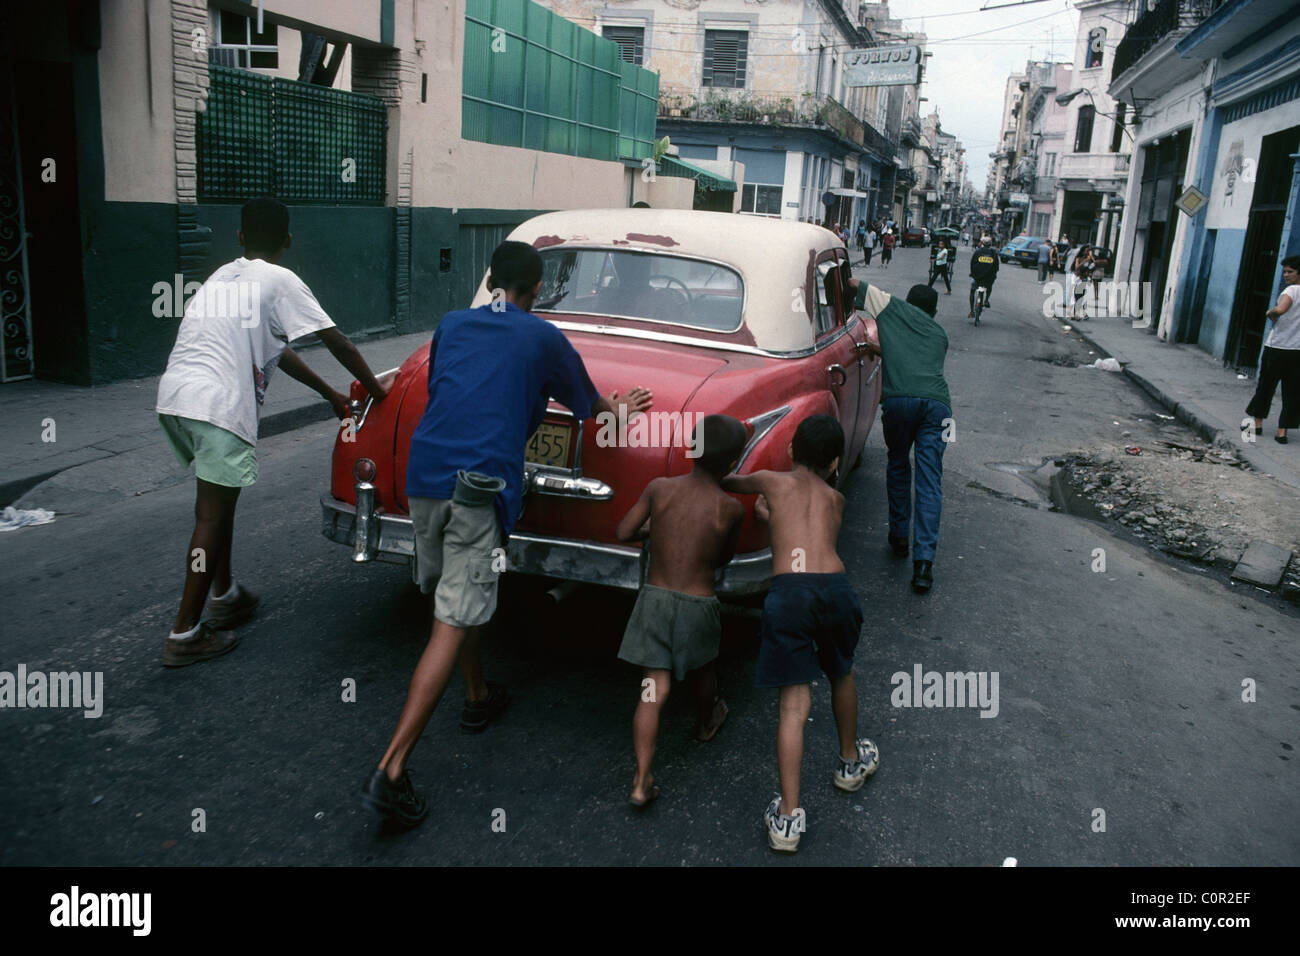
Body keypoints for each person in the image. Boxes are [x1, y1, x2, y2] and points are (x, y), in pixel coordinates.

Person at [362, 240, 653, 827]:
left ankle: (476, 695)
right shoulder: (542, 337)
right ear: (537, 290)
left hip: (425, 478)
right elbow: (593, 408)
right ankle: (392, 769)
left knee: (454, 597)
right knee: (451, 619)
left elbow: (453, 388)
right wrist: (622, 408)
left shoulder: (450, 323)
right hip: (477, 488)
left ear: (491, 278)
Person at [156, 197, 390, 668]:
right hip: (220, 404)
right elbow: (336, 341)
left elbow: (279, 352)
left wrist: (331, 395)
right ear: (287, 240)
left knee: (221, 506)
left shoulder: (224, 276)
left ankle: (224, 593)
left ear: (240, 238)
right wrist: (377, 393)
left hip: (176, 396)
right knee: (210, 516)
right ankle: (184, 634)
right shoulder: (281, 279)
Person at [722, 415, 879, 853]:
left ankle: (788, 818)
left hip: (790, 593)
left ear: (791, 451)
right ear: (833, 462)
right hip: (836, 590)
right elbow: (813, 534)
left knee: (794, 704)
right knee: (841, 673)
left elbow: (729, 481)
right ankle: (850, 763)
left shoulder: (772, 481)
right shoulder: (836, 498)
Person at [615, 414, 749, 807]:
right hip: (698, 604)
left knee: (652, 690)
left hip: (654, 599)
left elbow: (624, 532)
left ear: (691, 448)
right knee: (704, 670)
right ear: (731, 464)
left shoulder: (660, 489)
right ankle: (707, 723)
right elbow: (722, 558)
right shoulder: (730, 509)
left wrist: (654, 531)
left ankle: (641, 780)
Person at [849, 280, 952, 594]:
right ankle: (924, 565)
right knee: (929, 480)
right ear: (934, 311)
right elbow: (914, 358)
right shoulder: (939, 334)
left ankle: (899, 537)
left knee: (897, 464)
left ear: (907, 301)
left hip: (899, 402)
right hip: (937, 406)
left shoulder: (892, 306)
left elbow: (853, 282)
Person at [1247, 256, 1300, 445]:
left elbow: (1281, 309)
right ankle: (1282, 432)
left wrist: (1271, 312)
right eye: (1285, 271)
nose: (1286, 275)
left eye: (1290, 272)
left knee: (1266, 386)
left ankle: (1256, 425)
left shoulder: (1291, 291)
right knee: (1292, 392)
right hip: (1297, 351)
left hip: (1277, 347)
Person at [969, 236, 999, 318]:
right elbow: (996, 267)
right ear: (990, 244)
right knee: (989, 286)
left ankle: (971, 311)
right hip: (988, 279)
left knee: (972, 291)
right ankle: (986, 300)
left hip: (978, 277)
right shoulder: (994, 253)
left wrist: (972, 273)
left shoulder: (978, 252)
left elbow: (972, 263)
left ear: (982, 243)